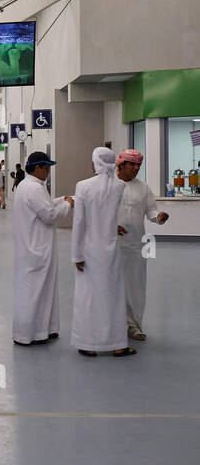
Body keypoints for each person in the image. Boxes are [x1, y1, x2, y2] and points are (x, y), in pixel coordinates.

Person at [71, 147, 133, 357]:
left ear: (95, 163)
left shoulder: (83, 187)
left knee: (88, 297)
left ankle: (88, 344)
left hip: (89, 250)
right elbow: (108, 217)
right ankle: (117, 344)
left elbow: (79, 222)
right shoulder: (118, 186)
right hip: (111, 249)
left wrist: (76, 255)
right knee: (113, 295)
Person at [10, 152, 72, 346]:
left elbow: (43, 207)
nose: (48, 172)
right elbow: (49, 215)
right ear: (37, 168)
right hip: (37, 248)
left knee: (43, 290)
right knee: (34, 292)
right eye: (46, 168)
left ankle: (46, 328)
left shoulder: (26, 186)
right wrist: (67, 206)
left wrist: (62, 199)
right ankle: (29, 333)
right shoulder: (34, 188)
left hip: (31, 246)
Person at [114, 149, 167, 340]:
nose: (136, 168)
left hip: (138, 244)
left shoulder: (143, 188)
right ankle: (113, 325)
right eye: (132, 164)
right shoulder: (110, 186)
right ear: (120, 165)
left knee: (136, 287)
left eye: (138, 165)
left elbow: (151, 210)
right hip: (112, 246)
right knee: (111, 286)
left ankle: (134, 325)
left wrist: (158, 217)